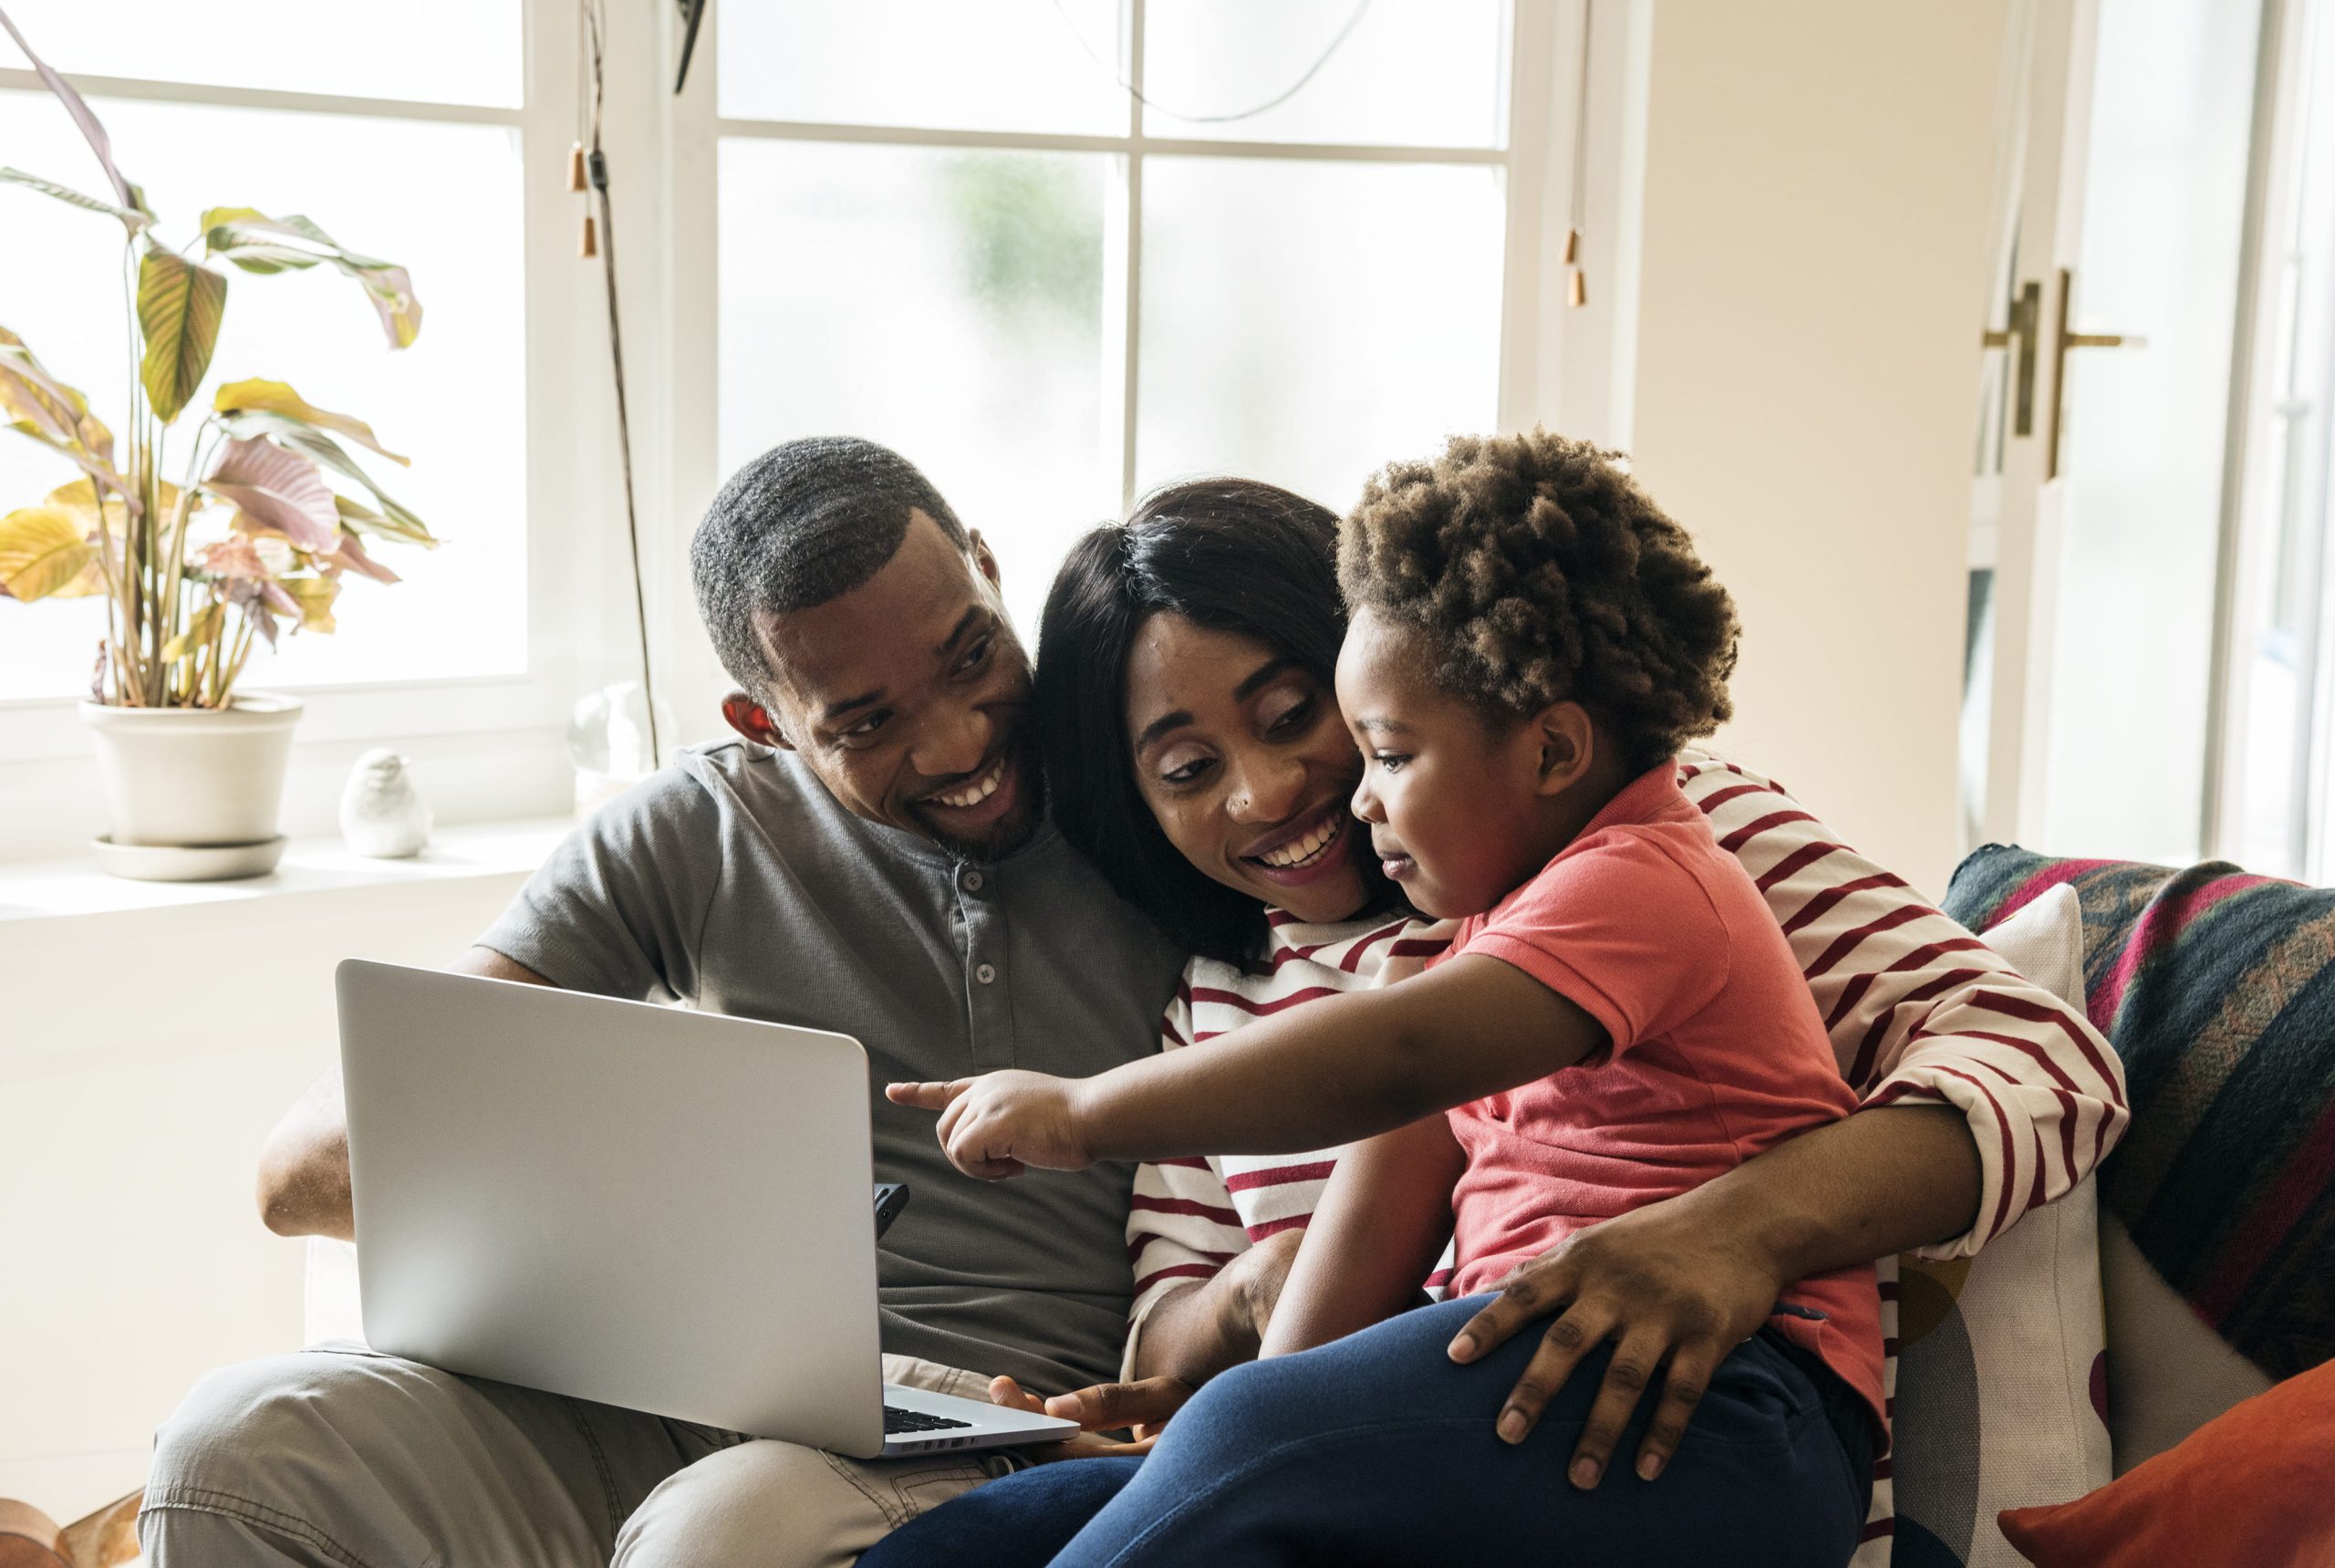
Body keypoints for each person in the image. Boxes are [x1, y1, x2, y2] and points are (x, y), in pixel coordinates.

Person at [869, 446, 2127, 1566]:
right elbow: (1347, 1207)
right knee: (982, 1533)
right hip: (1458, 1446)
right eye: (1191, 769)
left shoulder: (1664, 850)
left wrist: (1740, 1228)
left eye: (1315, 723)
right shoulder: (1242, 992)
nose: (1278, 792)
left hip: (1717, 1420)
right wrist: (1230, 1384)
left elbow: (2048, 1065)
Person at [139, 437, 1191, 1568]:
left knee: (716, 1534)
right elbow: (303, 1175)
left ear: (986, 568)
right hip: (669, 1390)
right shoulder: (703, 828)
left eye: (970, 655)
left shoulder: (1166, 795)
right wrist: (659, 1229)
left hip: (971, 1421)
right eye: (865, 722)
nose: (960, 739)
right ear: (766, 724)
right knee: (232, 1453)